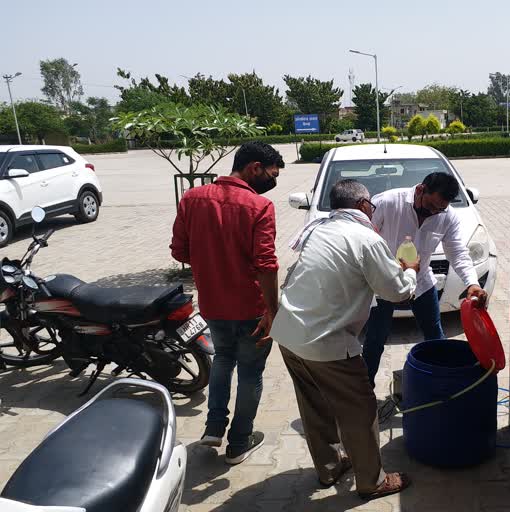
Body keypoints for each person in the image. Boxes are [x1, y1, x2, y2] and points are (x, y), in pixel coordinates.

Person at [271, 179, 417, 501]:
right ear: (364, 206)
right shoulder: (366, 238)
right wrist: (410, 271)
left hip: (289, 335)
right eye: (372, 207)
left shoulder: (316, 231)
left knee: (314, 406)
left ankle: (329, 467)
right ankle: (372, 481)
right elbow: (395, 291)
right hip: (326, 343)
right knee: (360, 410)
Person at [170, 141, 284, 465]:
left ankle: (214, 427)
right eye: (271, 176)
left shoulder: (192, 198)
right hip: (252, 311)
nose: (271, 184)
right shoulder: (260, 206)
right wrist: (272, 311)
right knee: (250, 372)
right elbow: (267, 264)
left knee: (222, 359)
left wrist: (210, 259)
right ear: (254, 168)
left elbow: (179, 250)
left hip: (213, 305)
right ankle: (239, 442)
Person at [362, 171, 488, 386]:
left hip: (421, 282)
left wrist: (472, 283)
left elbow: (457, 252)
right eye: (430, 206)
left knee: (435, 337)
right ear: (420, 190)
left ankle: (440, 386)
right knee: (375, 340)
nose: (433, 214)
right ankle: (363, 392)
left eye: (440, 209)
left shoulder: (447, 216)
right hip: (383, 283)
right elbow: (362, 237)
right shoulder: (387, 202)